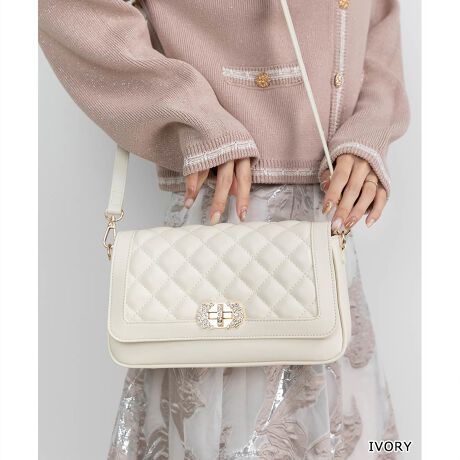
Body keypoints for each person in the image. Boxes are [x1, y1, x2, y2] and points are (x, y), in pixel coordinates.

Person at [39, 0, 410, 458]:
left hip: (330, 230)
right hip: (226, 214)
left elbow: (380, 16)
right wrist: (194, 115)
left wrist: (370, 128)